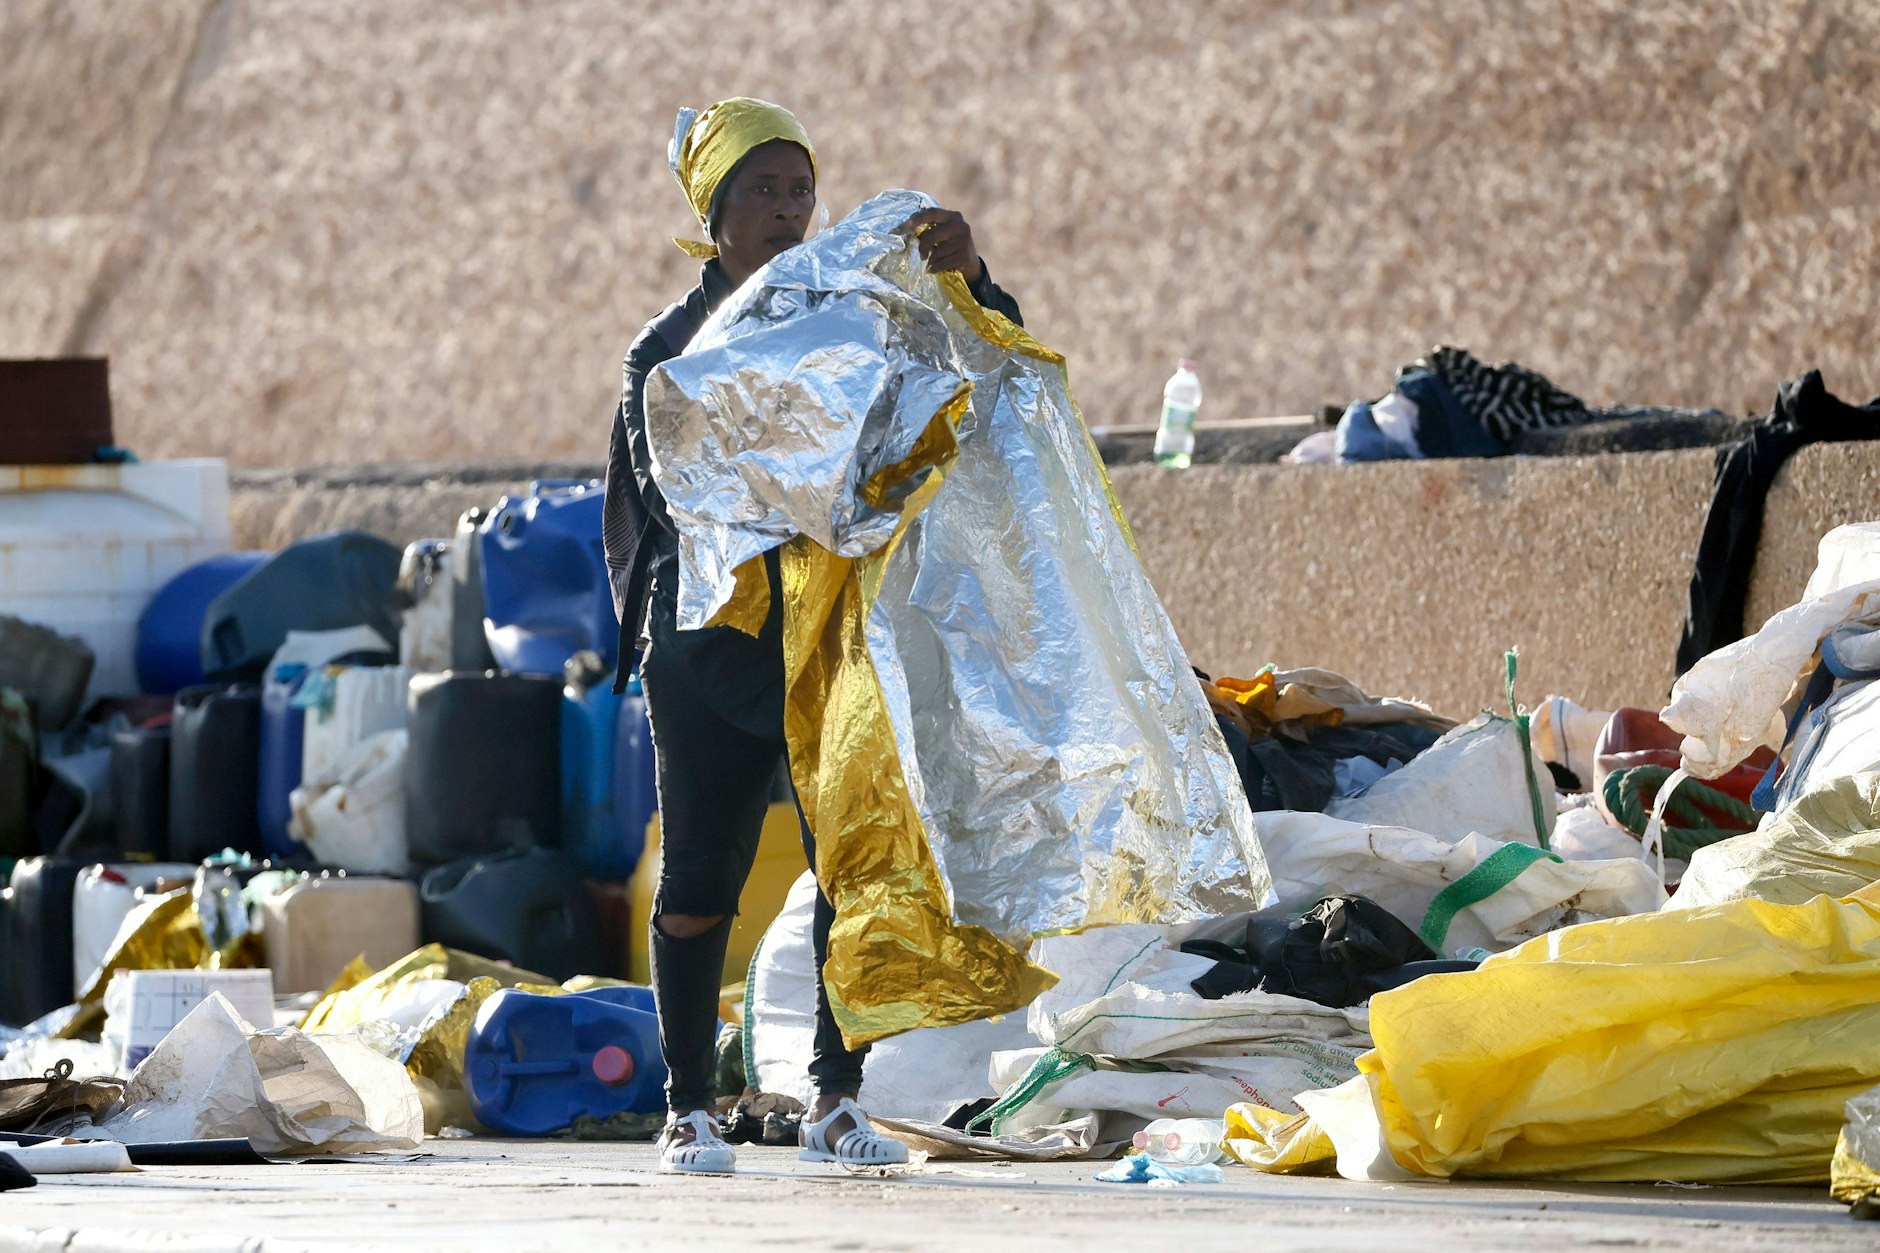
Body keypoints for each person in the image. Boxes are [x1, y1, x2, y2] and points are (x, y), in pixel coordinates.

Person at [601, 97, 1024, 1174]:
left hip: (829, 642)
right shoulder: (667, 348)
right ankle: (687, 1105)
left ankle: (836, 1100)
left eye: (800, 189)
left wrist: (966, 280)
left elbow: (974, 370)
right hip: (706, 653)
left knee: (852, 864)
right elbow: (676, 488)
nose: (789, 212)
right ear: (713, 209)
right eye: (763, 191)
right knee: (700, 879)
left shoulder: (848, 312)